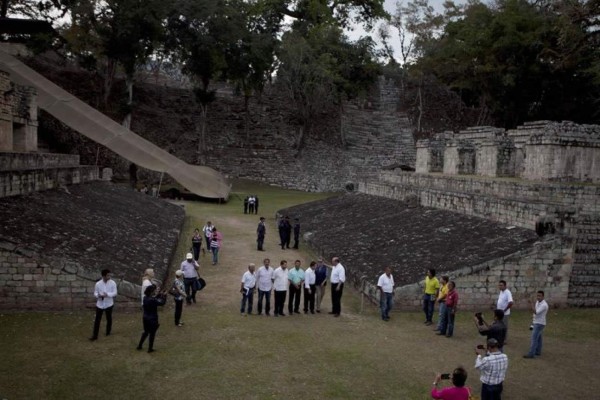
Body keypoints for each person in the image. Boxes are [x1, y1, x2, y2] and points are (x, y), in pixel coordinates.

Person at [137, 284, 167, 353]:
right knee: (152, 334)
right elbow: (162, 303)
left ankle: (140, 345)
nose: (154, 292)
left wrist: (159, 294)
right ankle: (150, 349)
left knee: (145, 332)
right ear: (151, 292)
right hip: (152, 319)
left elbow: (154, 298)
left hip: (145, 318)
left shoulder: (145, 298)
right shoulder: (152, 300)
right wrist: (164, 296)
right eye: (153, 291)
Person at [90, 269, 118, 341]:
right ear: (104, 276)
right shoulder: (98, 284)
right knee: (97, 320)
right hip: (100, 304)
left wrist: (107, 294)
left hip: (109, 304)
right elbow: (95, 293)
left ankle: (108, 332)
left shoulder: (113, 283)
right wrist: (98, 295)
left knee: (109, 318)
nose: (109, 276)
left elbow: (115, 293)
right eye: (108, 275)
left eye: (109, 275)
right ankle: (95, 335)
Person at [524, 290, 549, 359]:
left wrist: (531, 303)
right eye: (537, 296)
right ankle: (538, 351)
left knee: (534, 338)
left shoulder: (544, 305)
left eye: (540, 296)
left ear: (543, 296)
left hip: (540, 323)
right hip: (537, 322)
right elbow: (534, 312)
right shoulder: (538, 302)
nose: (538, 297)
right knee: (539, 338)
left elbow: (536, 312)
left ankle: (531, 353)